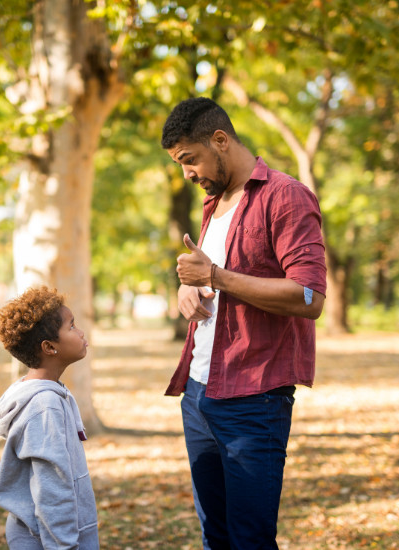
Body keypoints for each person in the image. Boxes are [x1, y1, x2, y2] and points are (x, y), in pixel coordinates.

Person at [161, 97, 327, 550]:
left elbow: (309, 297)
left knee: (250, 539)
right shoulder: (213, 204)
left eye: (188, 160)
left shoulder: (285, 196)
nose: (188, 174)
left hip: (254, 399)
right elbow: (217, 283)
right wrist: (189, 291)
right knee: (215, 536)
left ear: (220, 140)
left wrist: (215, 276)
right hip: (197, 394)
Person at [0, 286, 99, 550]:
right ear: (49, 347)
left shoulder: (49, 394)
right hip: (49, 541)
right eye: (71, 327)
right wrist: (65, 546)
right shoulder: (45, 406)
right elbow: (52, 489)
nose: (81, 332)